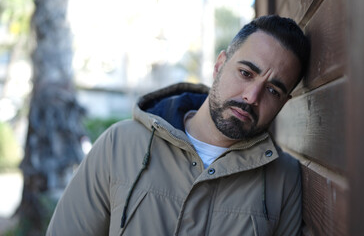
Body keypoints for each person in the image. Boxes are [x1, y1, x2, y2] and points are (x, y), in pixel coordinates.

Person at [47, 15, 310, 235]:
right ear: (219, 65)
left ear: (284, 103)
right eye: (245, 73)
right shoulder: (120, 145)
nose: (251, 97)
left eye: (273, 90)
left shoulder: (283, 178)